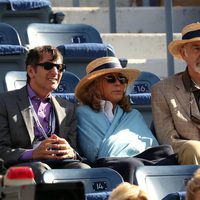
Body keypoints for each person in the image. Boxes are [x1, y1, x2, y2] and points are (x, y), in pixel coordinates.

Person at [75, 56, 176, 183]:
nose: (118, 83)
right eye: (110, 79)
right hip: (108, 166)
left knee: (167, 152)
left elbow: (152, 147)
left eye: (122, 79)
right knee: (130, 165)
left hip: (139, 161)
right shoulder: (83, 113)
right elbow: (94, 154)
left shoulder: (133, 114)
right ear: (93, 85)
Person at [0, 45, 90, 183]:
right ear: (31, 71)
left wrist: (70, 152)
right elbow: (2, 151)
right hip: (22, 166)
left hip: (58, 163)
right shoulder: (5, 102)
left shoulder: (67, 108)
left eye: (60, 67)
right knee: (40, 170)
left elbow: (74, 150)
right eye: (48, 66)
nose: (55, 72)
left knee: (83, 169)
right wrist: (32, 154)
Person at [151, 22, 200, 165]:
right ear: (184, 54)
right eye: (197, 48)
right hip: (191, 156)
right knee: (193, 148)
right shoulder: (163, 90)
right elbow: (168, 140)